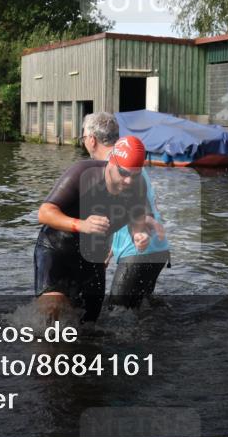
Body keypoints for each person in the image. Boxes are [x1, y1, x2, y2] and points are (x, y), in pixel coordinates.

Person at [34, 135, 160, 323]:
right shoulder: (83, 173)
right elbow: (44, 213)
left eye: (134, 175)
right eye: (123, 173)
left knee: (89, 326)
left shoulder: (137, 185)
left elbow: (136, 220)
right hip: (57, 250)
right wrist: (81, 224)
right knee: (52, 310)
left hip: (93, 259)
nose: (128, 181)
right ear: (112, 162)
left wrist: (139, 235)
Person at [80, 112, 170, 310]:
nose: (84, 142)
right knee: (140, 311)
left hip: (139, 251)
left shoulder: (116, 168)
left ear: (92, 140)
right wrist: (110, 250)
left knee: (117, 311)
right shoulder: (130, 163)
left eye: (83, 137)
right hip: (156, 249)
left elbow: (142, 209)